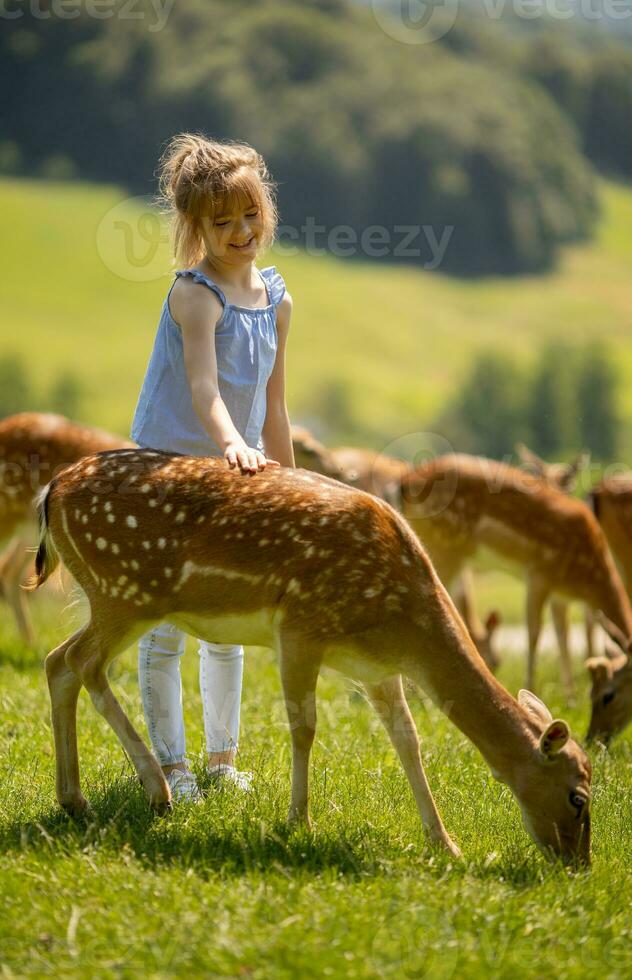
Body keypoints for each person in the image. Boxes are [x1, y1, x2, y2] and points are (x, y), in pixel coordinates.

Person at [131, 133, 295, 800]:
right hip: (172, 474)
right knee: (167, 626)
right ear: (194, 226)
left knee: (225, 628)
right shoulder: (195, 297)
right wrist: (230, 442)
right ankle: (173, 769)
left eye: (250, 214)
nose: (240, 231)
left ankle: (222, 763)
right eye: (221, 222)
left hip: (242, 476)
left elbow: (276, 405)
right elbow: (205, 393)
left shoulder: (278, 298)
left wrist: (291, 486)